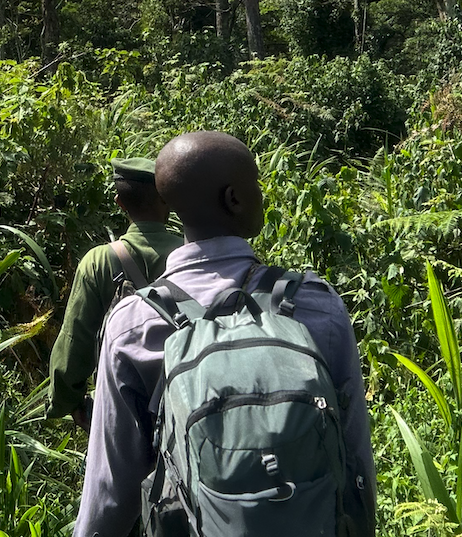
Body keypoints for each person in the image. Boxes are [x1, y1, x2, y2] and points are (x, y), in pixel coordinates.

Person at [73, 131, 377, 537]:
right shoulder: (316, 305)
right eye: (256, 183)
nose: (261, 193)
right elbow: (356, 461)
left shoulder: (133, 323)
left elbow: (110, 492)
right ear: (234, 198)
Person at [44, 157, 183, 428]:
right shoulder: (190, 253)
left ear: (120, 203)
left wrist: (69, 401)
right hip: (187, 398)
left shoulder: (98, 262)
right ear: (166, 200)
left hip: (120, 408)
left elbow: (76, 339)